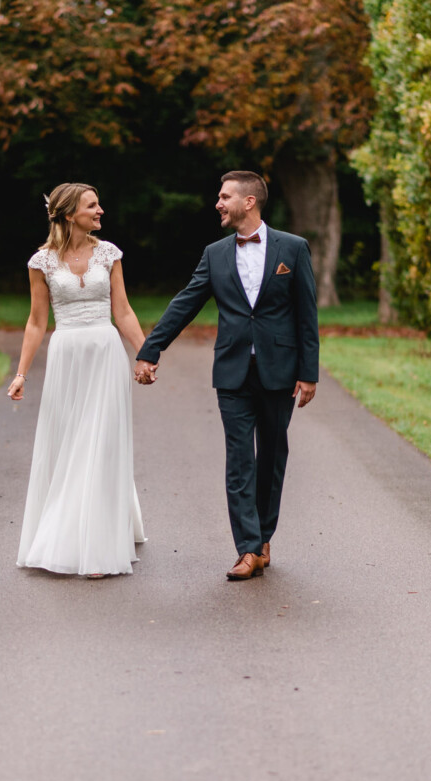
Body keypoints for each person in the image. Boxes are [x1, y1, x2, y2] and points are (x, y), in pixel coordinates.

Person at [135, 171, 319, 581]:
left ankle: (263, 535)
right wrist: (151, 349)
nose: (217, 204)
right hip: (232, 371)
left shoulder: (293, 248)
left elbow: (307, 315)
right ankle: (248, 548)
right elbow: (186, 302)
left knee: (272, 455)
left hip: (280, 371)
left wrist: (309, 374)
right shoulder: (215, 253)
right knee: (240, 460)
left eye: (224, 197)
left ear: (248, 202)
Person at [9, 182, 148, 577]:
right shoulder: (42, 262)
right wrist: (21, 374)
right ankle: (68, 533)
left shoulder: (109, 254)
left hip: (105, 354)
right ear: (70, 214)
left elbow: (122, 311)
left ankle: (99, 542)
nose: (100, 210)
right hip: (67, 358)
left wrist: (146, 353)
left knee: (99, 440)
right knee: (73, 441)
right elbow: (37, 322)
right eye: (92, 205)